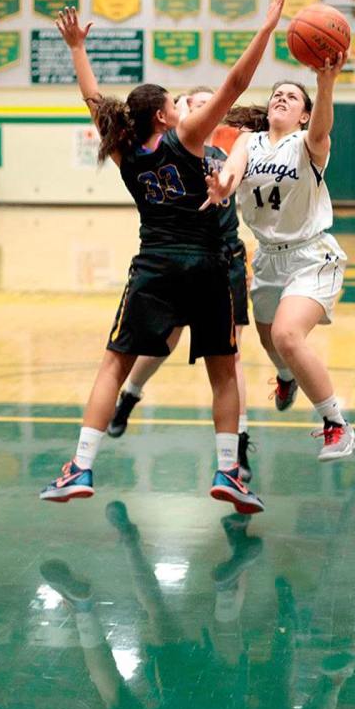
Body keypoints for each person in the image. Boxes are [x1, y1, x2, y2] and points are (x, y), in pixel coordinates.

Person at [40, 0, 284, 513]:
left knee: (114, 365)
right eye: (174, 103)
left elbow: (92, 98)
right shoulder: (187, 137)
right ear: (162, 116)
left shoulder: (124, 150)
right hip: (208, 265)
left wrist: (77, 48)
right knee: (223, 367)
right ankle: (228, 472)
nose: (180, 107)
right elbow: (236, 84)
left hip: (153, 264)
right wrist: (265, 31)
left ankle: (80, 466)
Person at [204, 57, 355, 461]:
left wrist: (325, 84)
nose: (281, 99)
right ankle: (286, 375)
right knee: (269, 337)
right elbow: (234, 171)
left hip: (311, 255)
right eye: (277, 95)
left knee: (288, 336)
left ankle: (337, 423)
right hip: (269, 258)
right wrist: (223, 185)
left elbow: (323, 126)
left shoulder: (308, 143)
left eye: (292, 97)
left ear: (303, 114)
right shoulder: (247, 141)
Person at [107, 85, 255, 482]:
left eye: (211, 104)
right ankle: (130, 395)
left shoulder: (231, 149)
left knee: (231, 355)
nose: (203, 109)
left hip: (225, 258)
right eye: (195, 104)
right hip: (179, 258)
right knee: (165, 340)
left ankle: (237, 448)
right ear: (181, 112)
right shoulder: (174, 148)